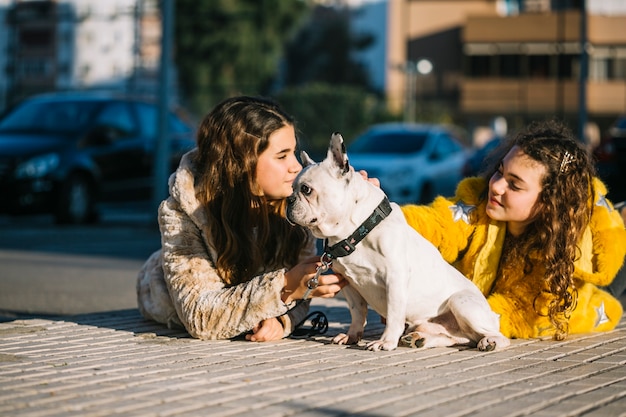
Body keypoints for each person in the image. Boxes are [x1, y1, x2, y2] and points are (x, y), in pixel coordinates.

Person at [136, 95, 347, 342]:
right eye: (282, 156)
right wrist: (285, 287)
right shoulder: (182, 210)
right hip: (162, 289)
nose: (295, 166)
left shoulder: (294, 202)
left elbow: (302, 288)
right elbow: (199, 317)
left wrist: (281, 320)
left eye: (293, 153)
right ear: (241, 164)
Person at [400, 120, 626, 341]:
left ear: (550, 202)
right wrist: (378, 211)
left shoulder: (565, 249)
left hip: (595, 295)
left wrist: (450, 323)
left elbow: (522, 312)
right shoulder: (480, 203)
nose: (496, 186)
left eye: (515, 185)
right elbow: (438, 223)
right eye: (500, 171)